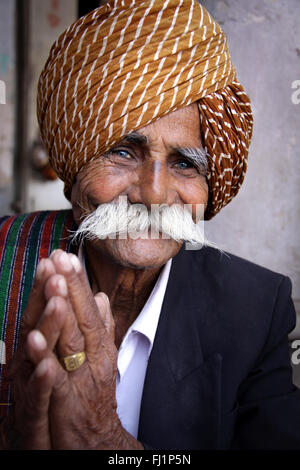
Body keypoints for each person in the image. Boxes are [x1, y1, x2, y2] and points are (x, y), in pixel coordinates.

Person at [0, 0, 300, 450]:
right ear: (74, 164)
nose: (154, 195)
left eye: (184, 164)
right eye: (123, 152)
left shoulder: (257, 310)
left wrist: (105, 439)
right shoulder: (4, 258)